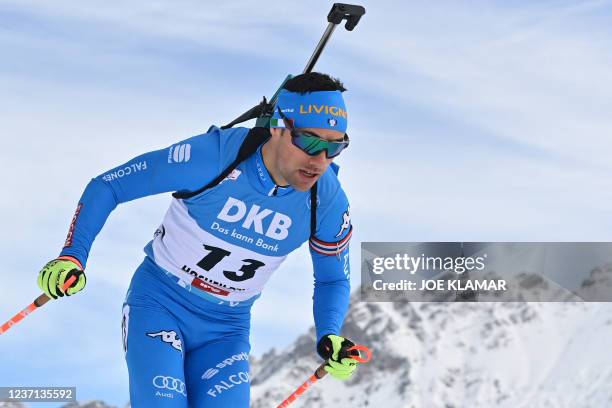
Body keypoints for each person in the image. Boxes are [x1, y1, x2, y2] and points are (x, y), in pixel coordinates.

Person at [36, 72, 361, 407]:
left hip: (227, 330)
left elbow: (333, 277)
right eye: (309, 142)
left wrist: (329, 335)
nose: (320, 160)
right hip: (160, 303)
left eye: (334, 147)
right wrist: (73, 255)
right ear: (278, 126)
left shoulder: (328, 202)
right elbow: (108, 186)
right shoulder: (214, 157)